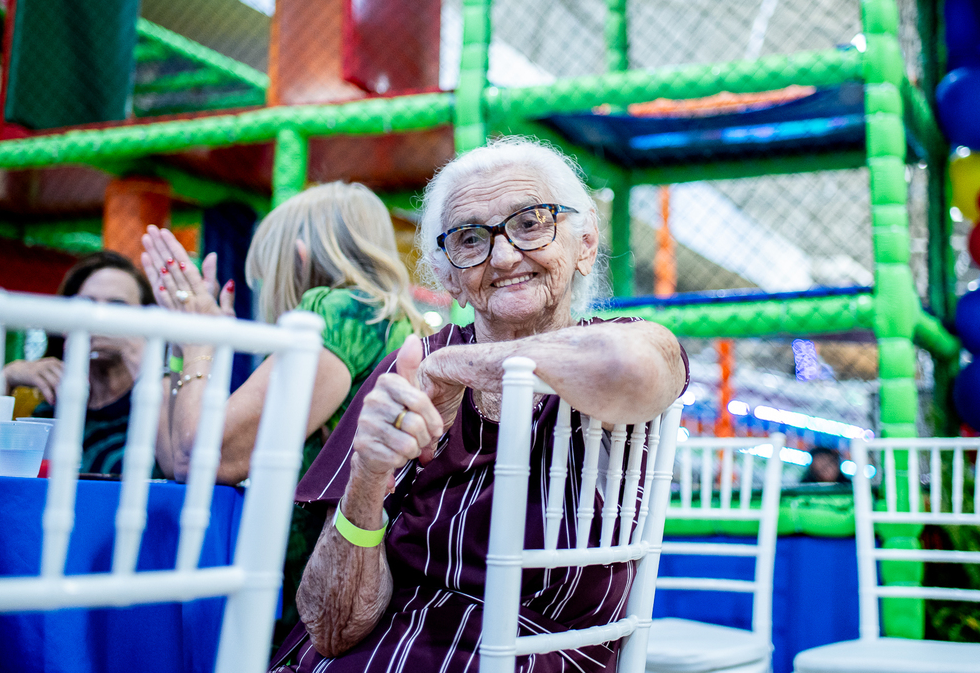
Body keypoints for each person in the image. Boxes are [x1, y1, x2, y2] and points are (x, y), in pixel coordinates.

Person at [273, 138, 688, 672]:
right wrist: (368, 477)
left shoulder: (626, 341)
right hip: (373, 653)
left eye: (532, 221)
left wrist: (459, 366)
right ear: (450, 278)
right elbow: (332, 628)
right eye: (470, 239)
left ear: (585, 245)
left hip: (535, 653)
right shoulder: (408, 367)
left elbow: (621, 366)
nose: (505, 254)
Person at [139, 180, 427, 645]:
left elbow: (200, 458)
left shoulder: (339, 311)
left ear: (297, 257)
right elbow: (178, 461)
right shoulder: (391, 321)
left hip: (313, 608)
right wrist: (182, 349)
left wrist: (200, 345)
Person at [2, 251, 157, 475]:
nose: (99, 317)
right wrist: (7, 377)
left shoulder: (161, 403)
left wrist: (144, 367)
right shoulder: (53, 404)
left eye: (117, 306)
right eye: (86, 305)